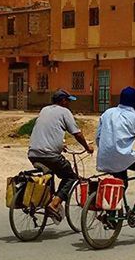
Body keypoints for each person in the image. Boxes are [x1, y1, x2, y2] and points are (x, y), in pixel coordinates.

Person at [28, 88, 93, 222]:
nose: (69, 103)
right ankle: (54, 204)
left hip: (33, 153)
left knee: (50, 174)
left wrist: (59, 145)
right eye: (68, 101)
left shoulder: (44, 110)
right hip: (49, 155)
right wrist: (87, 147)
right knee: (70, 177)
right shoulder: (65, 112)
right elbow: (77, 134)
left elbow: (47, 130)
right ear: (63, 101)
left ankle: (46, 199)